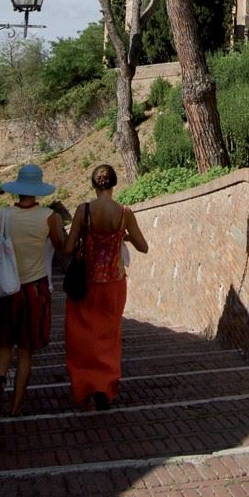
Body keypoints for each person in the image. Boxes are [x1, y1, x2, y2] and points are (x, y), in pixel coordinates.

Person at [0, 164, 65, 417]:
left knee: (5, 342)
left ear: (18, 189)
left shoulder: (3, 215)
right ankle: (16, 406)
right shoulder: (48, 217)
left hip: (6, 290)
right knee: (26, 349)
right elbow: (60, 246)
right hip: (34, 289)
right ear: (38, 191)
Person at [64, 163, 148, 409]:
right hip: (114, 282)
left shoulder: (84, 210)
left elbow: (68, 248)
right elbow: (144, 247)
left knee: (82, 336)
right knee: (109, 335)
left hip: (86, 281)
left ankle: (86, 385)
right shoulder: (124, 213)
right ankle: (105, 386)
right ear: (114, 183)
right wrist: (126, 236)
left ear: (94, 184)